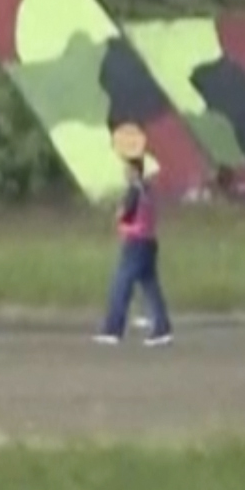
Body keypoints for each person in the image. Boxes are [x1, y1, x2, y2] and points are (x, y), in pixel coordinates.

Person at [96, 145, 174, 346]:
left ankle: (113, 329)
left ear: (134, 171)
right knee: (150, 287)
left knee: (120, 285)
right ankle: (162, 328)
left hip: (135, 242)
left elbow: (123, 214)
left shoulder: (133, 190)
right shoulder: (148, 189)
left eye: (126, 169)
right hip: (149, 241)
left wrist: (118, 213)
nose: (124, 173)